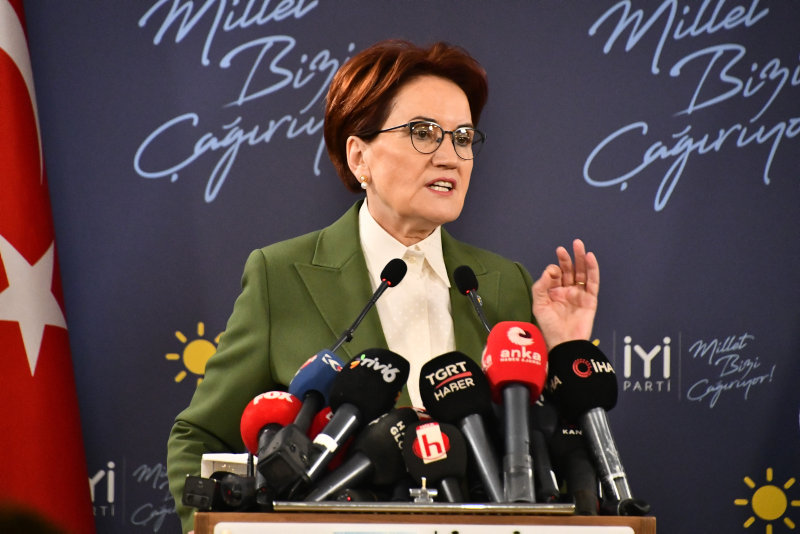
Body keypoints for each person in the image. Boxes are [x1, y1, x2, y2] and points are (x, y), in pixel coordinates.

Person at [167, 39, 599, 532]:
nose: (450, 156)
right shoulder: (281, 275)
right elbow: (198, 439)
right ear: (360, 157)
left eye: (462, 138)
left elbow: (550, 458)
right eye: (423, 133)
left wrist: (565, 349)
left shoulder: (504, 285)